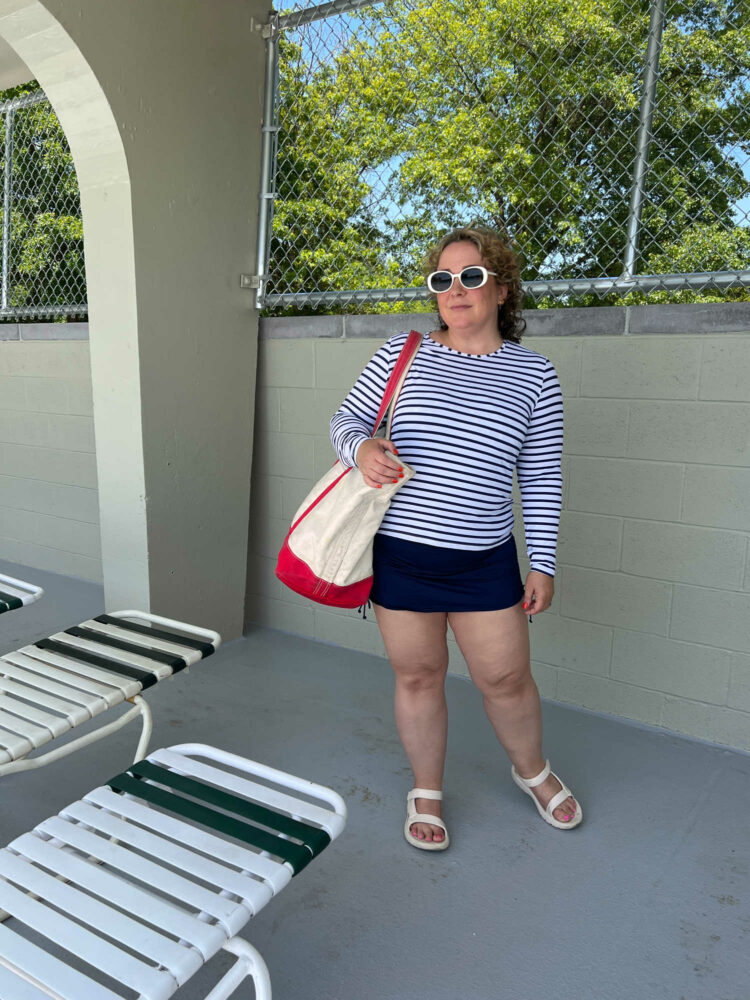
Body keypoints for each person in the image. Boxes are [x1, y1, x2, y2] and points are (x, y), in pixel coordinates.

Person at [330, 226, 581, 850]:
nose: (456, 290)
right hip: (402, 556)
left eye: (471, 276)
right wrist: (361, 448)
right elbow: (346, 420)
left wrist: (542, 563)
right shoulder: (401, 352)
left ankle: (533, 772)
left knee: (506, 679)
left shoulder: (534, 375)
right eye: (443, 280)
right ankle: (427, 789)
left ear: (501, 286)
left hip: (484, 564)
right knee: (417, 675)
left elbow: (542, 475)